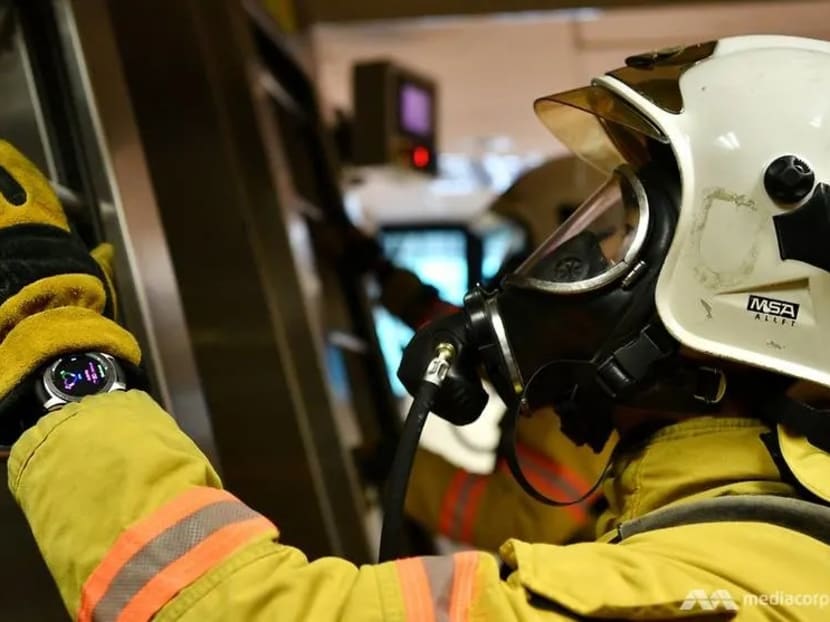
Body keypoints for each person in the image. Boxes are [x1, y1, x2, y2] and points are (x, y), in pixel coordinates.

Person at [4, 34, 830, 622]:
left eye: (612, 237)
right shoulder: (757, 540)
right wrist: (382, 278)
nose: (569, 267)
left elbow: (224, 609)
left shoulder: (707, 598)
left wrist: (47, 339)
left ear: (747, 283)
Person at [344, 157, 613, 549]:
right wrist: (382, 273)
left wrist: (397, 469)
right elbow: (480, 340)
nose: (508, 268)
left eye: (522, 250)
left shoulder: (587, 381)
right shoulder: (574, 352)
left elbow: (526, 525)